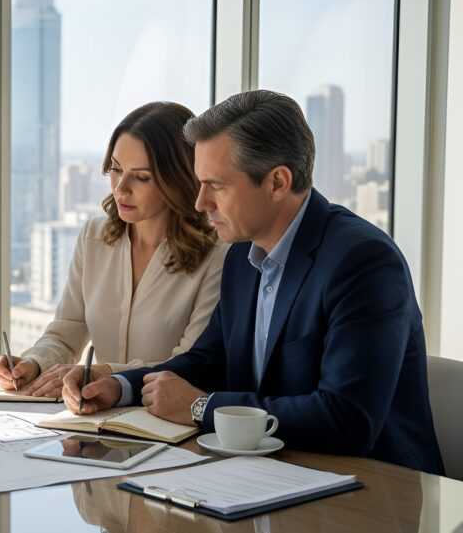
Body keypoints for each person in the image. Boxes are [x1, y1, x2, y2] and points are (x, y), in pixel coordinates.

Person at [62, 90, 445, 475]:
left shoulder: (362, 262)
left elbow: (347, 419)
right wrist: (119, 386)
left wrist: (201, 408)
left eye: (217, 186)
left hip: (373, 489)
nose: (200, 203)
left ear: (277, 182)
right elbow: (209, 360)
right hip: (266, 474)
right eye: (199, 183)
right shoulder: (244, 255)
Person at [0, 102, 228, 398]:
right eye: (116, 169)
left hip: (167, 423)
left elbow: (190, 363)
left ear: (179, 179)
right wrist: (35, 363)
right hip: (96, 415)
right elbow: (66, 333)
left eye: (141, 177)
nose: (121, 188)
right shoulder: (94, 236)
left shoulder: (218, 253)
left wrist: (106, 375)